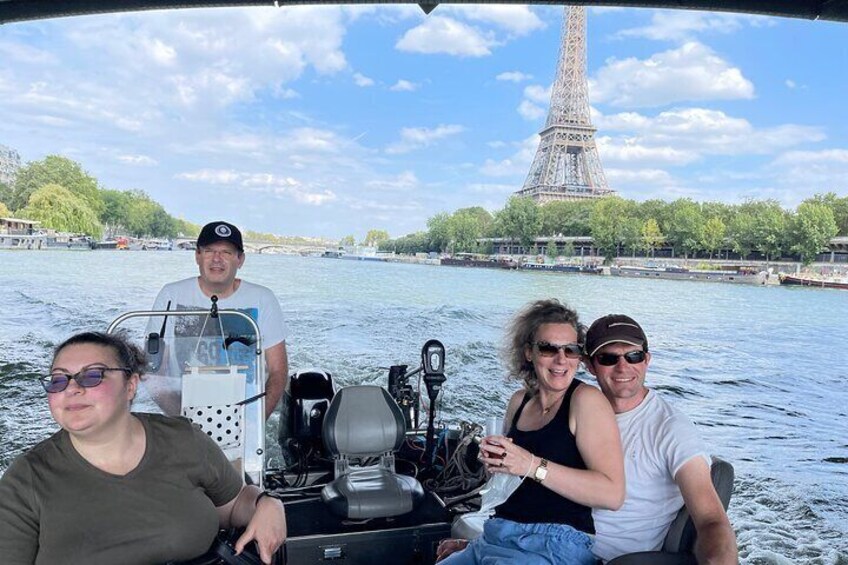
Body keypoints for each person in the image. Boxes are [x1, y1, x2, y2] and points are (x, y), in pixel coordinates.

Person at [0, 332, 287, 565]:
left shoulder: (183, 439)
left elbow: (235, 503)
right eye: (59, 379)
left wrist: (268, 503)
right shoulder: (26, 480)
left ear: (131, 385)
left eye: (92, 376)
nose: (71, 388)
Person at [438, 299, 624, 565]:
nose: (561, 360)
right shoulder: (519, 401)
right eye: (549, 348)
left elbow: (613, 494)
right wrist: (494, 464)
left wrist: (532, 465)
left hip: (555, 543)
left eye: (571, 350)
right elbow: (507, 482)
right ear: (529, 352)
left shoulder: (586, 401)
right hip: (498, 534)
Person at [583, 314, 737, 563]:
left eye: (634, 356)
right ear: (589, 365)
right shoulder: (578, 412)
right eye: (608, 358)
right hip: (554, 544)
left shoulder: (671, 428)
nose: (623, 367)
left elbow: (711, 520)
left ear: (647, 360)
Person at [148, 220, 288, 420]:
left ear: (240, 260)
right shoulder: (170, 296)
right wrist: (184, 423)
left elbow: (278, 371)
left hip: (246, 418)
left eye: (227, 252)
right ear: (197, 255)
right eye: (209, 251)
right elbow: (155, 372)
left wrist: (255, 422)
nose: (217, 259)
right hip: (184, 416)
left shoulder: (263, 299)